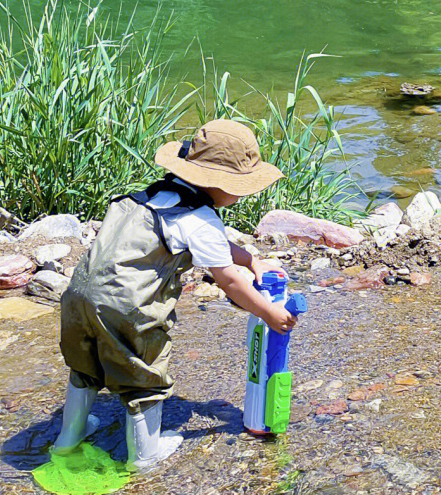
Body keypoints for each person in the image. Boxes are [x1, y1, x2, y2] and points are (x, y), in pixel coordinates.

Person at [52, 119, 298, 473]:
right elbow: (229, 281)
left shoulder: (157, 195)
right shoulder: (200, 218)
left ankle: (68, 439)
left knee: (85, 366)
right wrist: (268, 314)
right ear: (221, 184)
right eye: (241, 187)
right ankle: (145, 456)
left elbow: (216, 249)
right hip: (128, 305)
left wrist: (251, 259)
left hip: (79, 295)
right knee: (144, 374)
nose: (243, 195)